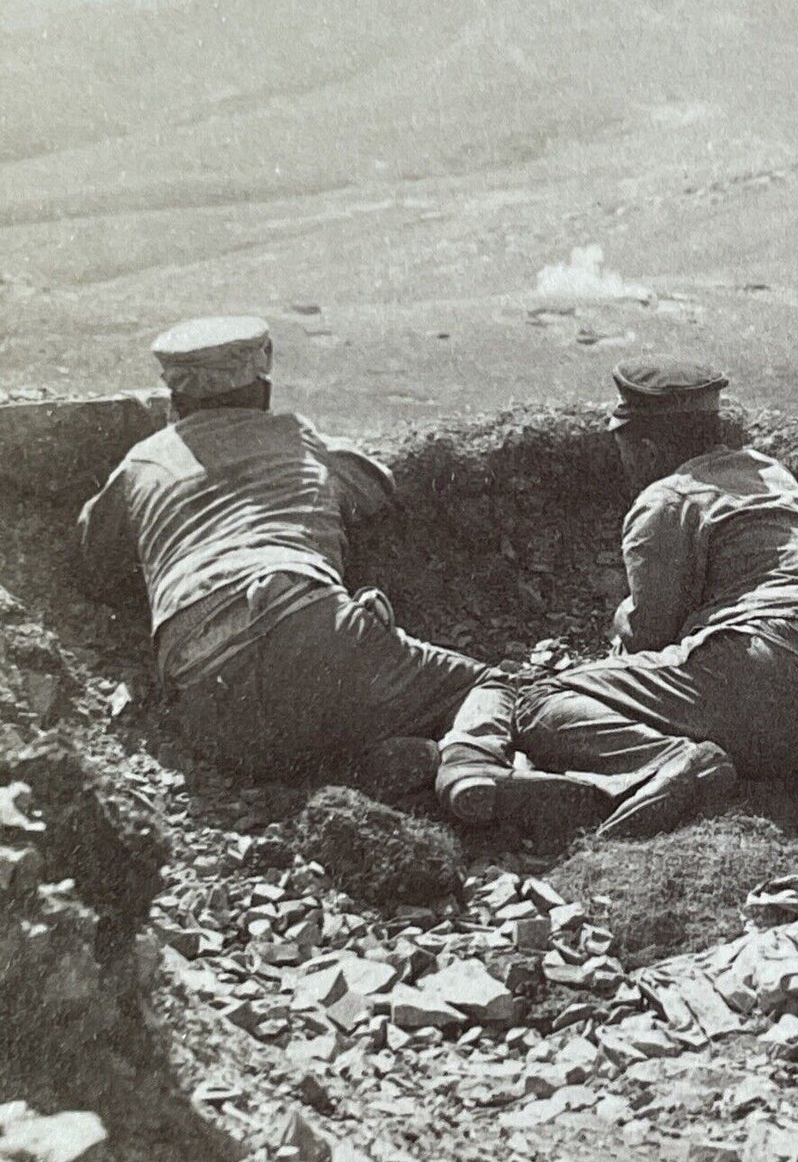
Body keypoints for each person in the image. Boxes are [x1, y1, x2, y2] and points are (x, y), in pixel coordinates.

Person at [78, 315, 596, 827]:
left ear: (174, 398)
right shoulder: (294, 436)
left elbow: (94, 562)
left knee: (286, 749)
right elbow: (377, 486)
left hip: (203, 701)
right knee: (490, 684)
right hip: (305, 624)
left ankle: (372, 767)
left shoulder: (140, 463)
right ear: (262, 387)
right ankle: (470, 764)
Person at [436, 358, 798, 838]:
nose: (625, 465)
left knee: (536, 699)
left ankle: (664, 763)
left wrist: (618, 629)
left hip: (765, 668)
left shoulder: (668, 498)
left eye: (625, 451)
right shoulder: (769, 473)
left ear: (647, 449)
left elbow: (650, 633)